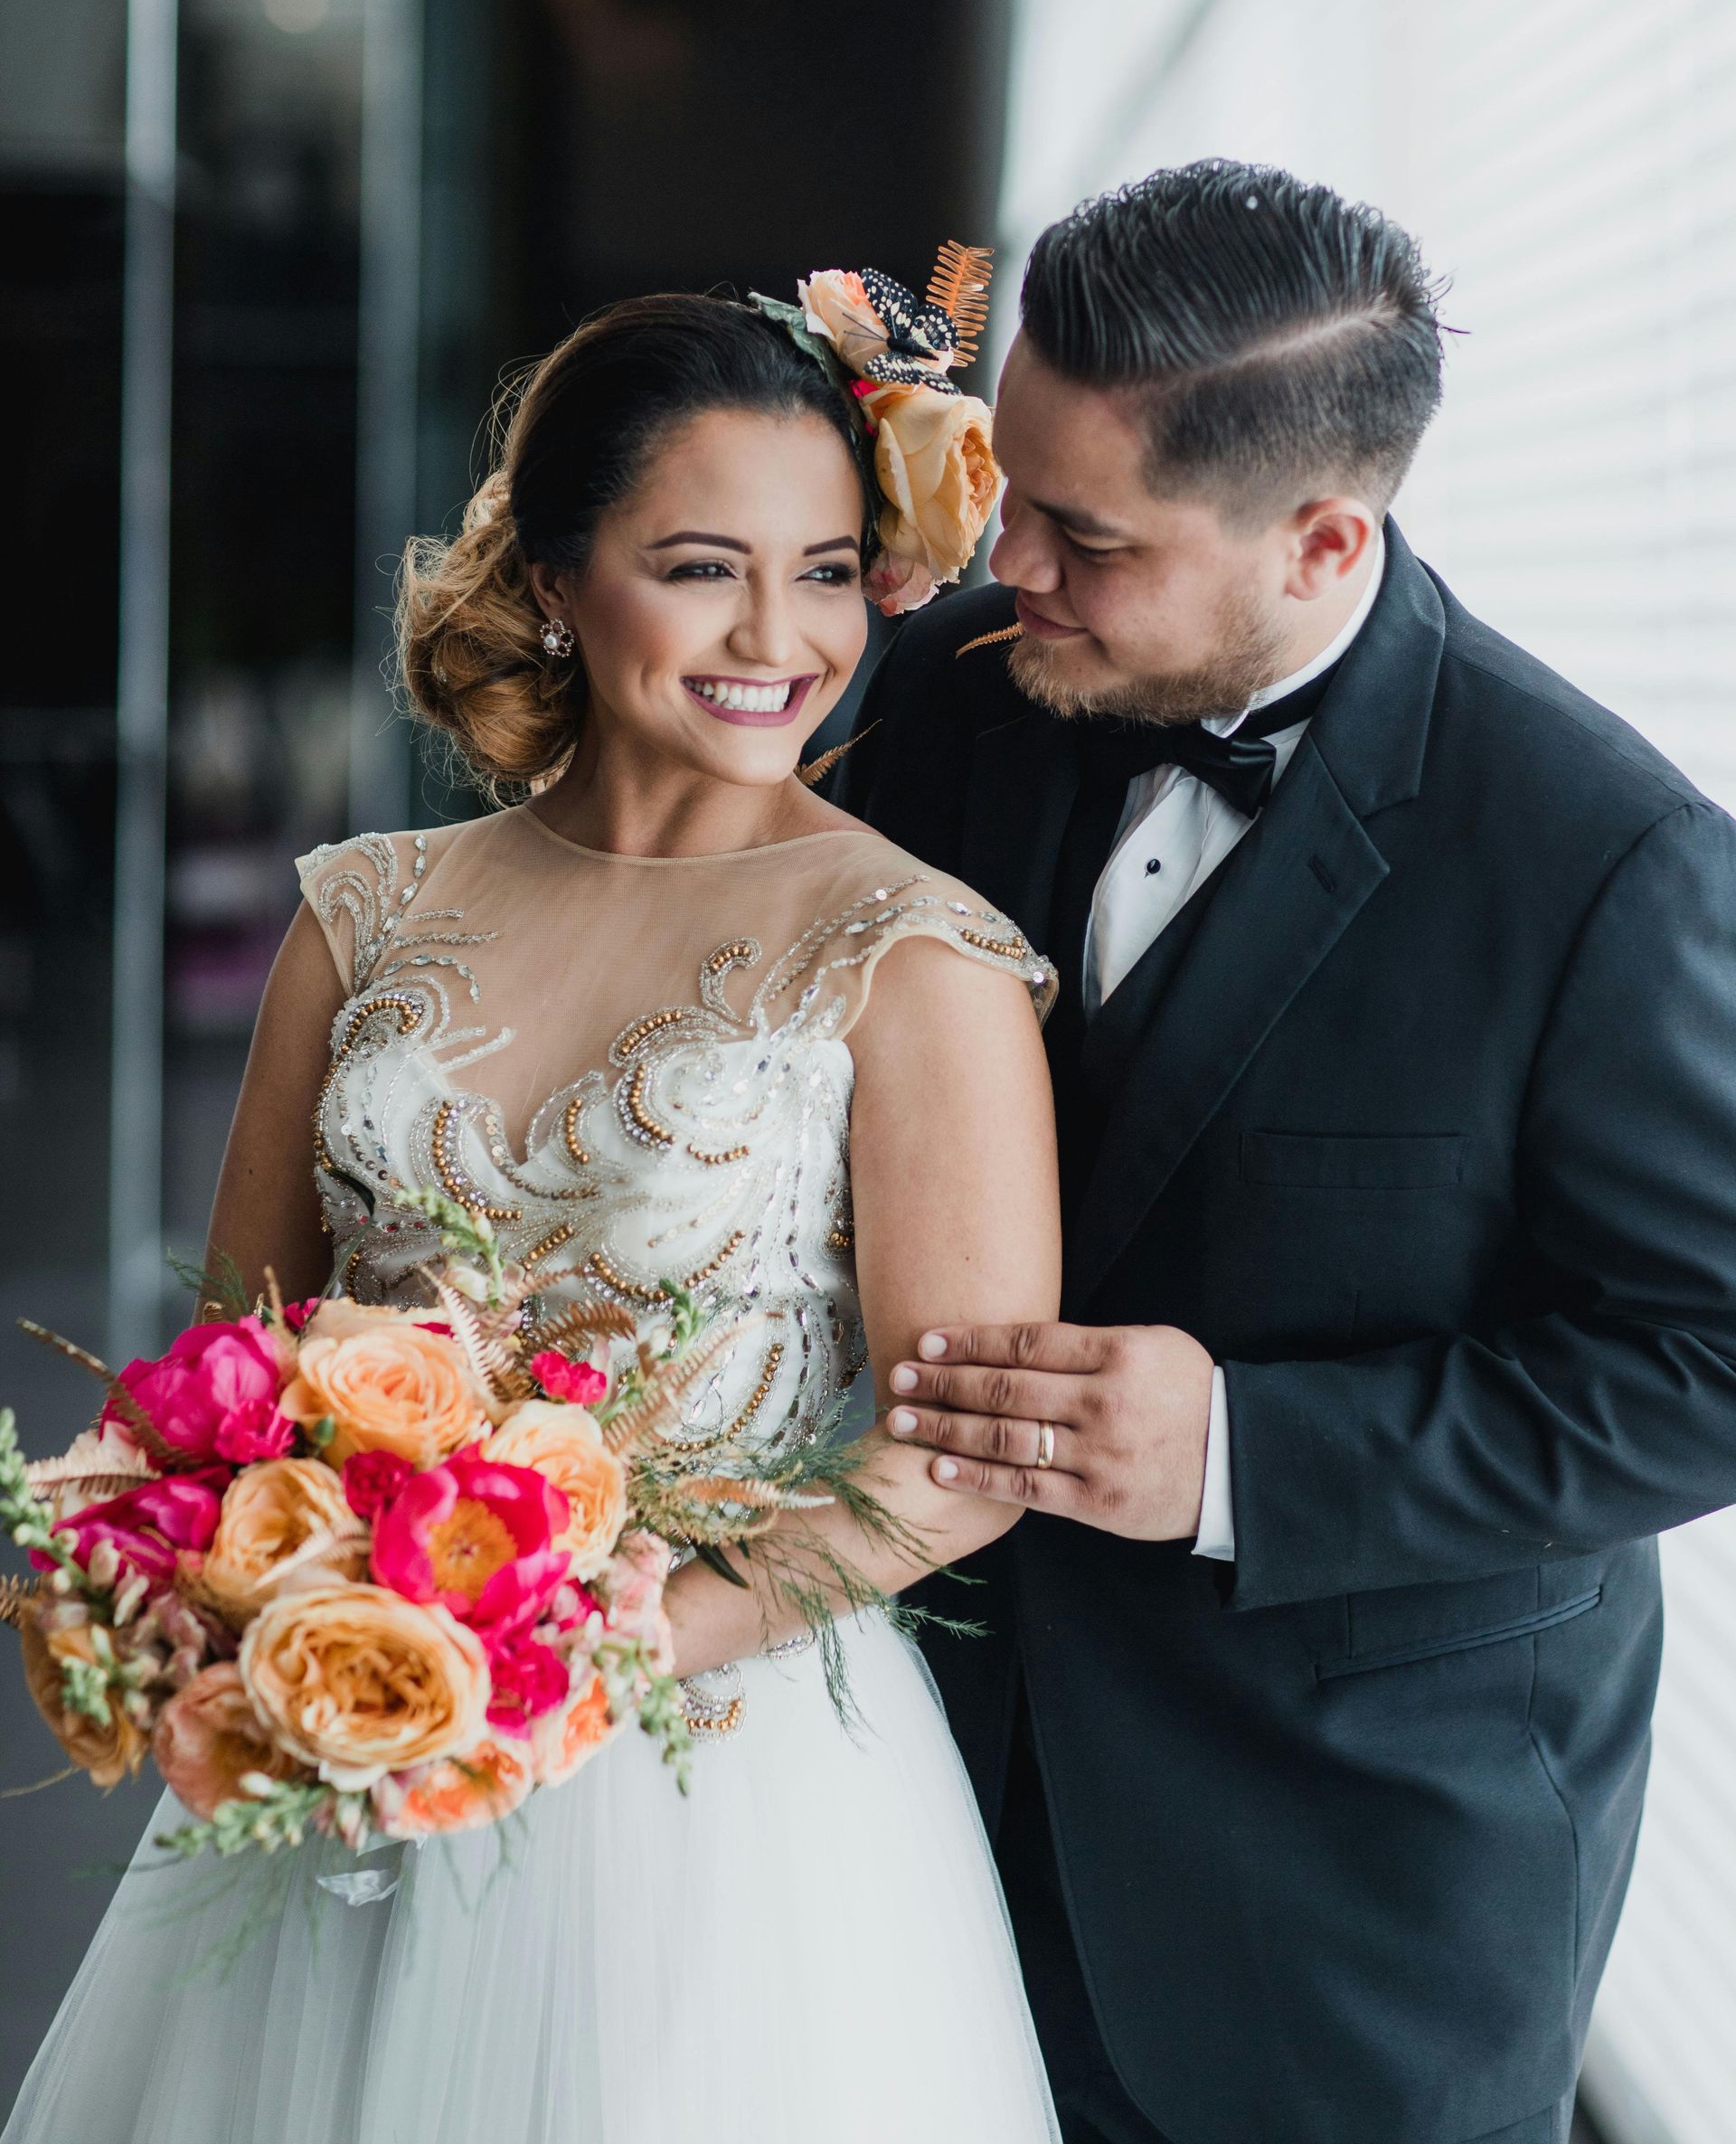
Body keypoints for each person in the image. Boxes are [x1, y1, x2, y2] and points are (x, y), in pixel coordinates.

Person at [5, 288, 1063, 2144]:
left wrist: (660, 1636)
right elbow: (235, 1361)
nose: (777, 637)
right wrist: (171, 1565)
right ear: (562, 578)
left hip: (715, 1798)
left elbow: (962, 1457)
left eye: (827, 572)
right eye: (700, 567)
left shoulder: (915, 956)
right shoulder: (367, 911)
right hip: (338, 1723)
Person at [837, 160, 1736, 2144]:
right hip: (915, 1818)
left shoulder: (1607, 866)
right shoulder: (942, 708)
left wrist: (1247, 1453)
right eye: (1005, 486)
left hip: (1352, 1895)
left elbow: (1713, 1358)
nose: (1014, 569)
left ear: (1326, 537)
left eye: (1085, 536)